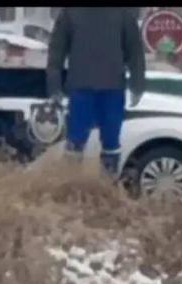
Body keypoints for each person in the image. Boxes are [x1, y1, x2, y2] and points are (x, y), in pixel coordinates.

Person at [47, 7, 145, 177]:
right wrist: (54, 86)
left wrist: (137, 84)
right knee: (75, 140)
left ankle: (108, 187)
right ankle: (69, 185)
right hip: (81, 87)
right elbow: (56, 52)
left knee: (111, 141)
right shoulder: (70, 13)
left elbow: (135, 51)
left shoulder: (122, 13)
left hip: (112, 88)